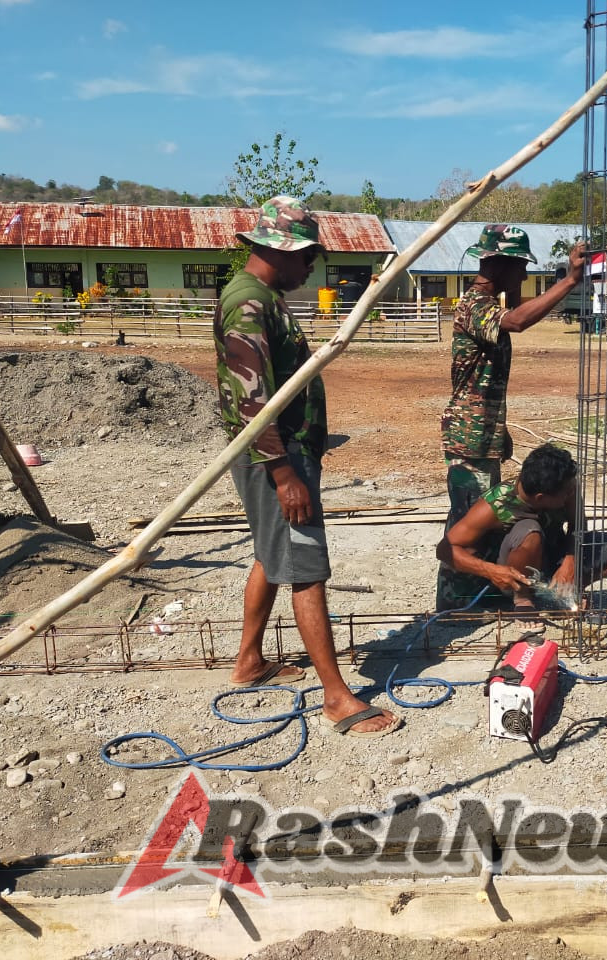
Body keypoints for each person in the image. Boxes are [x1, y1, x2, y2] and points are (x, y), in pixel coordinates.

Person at [214, 195, 400, 738]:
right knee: (306, 566)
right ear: (280, 249)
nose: (311, 266)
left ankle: (249, 661)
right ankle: (338, 698)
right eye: (307, 256)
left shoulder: (261, 296)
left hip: (281, 454)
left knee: (271, 556)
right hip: (277, 456)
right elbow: (250, 400)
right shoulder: (249, 304)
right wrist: (284, 474)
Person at [436, 225, 586, 610]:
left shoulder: (490, 303)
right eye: (519, 267)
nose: (523, 276)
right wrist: (569, 281)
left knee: (486, 525)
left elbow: (514, 312)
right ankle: (455, 606)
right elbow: (518, 321)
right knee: (466, 528)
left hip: (484, 435)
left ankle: (484, 596)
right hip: (469, 439)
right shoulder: (474, 304)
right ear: (500, 264)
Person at [436, 443, 607, 611]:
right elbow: (445, 549)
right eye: (566, 493)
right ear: (541, 498)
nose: (571, 494)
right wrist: (492, 571)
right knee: (529, 531)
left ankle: (564, 593)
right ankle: (523, 600)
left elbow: (578, 526)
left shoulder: (564, 484)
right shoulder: (495, 505)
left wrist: (570, 562)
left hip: (556, 556)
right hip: (517, 569)